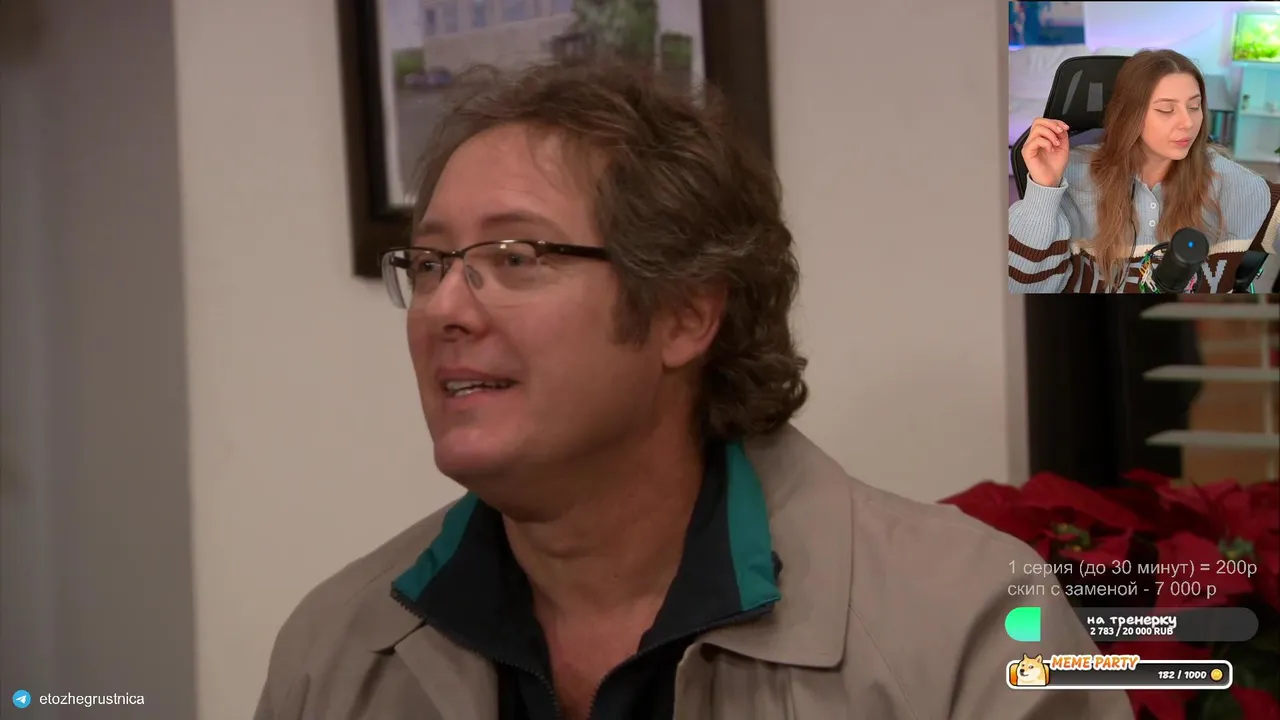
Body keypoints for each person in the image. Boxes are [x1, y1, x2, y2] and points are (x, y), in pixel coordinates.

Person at [254, 62, 1133, 719]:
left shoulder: (969, 622)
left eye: (514, 257)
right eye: (431, 263)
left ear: (685, 312)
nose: (445, 307)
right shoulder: (336, 649)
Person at [1009, 49, 1270, 293]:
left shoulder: (1224, 176)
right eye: (1166, 109)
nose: (1188, 122)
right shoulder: (1071, 174)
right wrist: (1044, 187)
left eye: (1194, 106)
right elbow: (1023, 286)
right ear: (1130, 115)